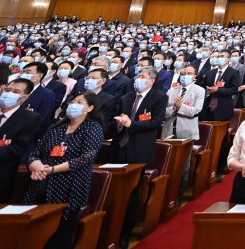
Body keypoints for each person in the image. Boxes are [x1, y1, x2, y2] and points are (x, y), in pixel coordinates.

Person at [24, 91, 104, 249]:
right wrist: (38, 167)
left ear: (90, 108)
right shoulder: (57, 127)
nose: (74, 104)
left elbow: (85, 158)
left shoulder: (93, 128)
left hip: (70, 186)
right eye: (73, 101)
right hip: (41, 181)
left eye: (80, 102)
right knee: (34, 231)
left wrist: (51, 170)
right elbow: (35, 153)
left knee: (59, 235)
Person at [111, 68, 166, 248]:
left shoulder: (159, 97)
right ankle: (110, 229)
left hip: (139, 149)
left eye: (142, 77)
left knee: (132, 192)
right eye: (138, 76)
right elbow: (116, 121)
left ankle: (125, 232)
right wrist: (120, 124)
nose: (138, 79)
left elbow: (156, 122)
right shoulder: (126, 97)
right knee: (114, 190)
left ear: (152, 80)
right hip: (119, 147)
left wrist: (131, 124)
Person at [163, 64, 204, 194]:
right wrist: (174, 108)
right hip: (169, 130)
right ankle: (166, 193)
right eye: (183, 74)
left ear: (194, 77)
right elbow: (163, 111)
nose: (185, 76)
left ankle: (178, 195)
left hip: (186, 132)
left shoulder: (199, 90)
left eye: (189, 74)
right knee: (168, 165)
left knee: (183, 167)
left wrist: (180, 107)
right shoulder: (172, 90)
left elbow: (196, 111)